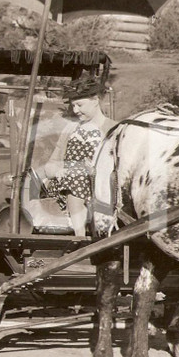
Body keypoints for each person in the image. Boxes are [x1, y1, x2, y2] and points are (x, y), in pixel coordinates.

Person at [40, 77, 115, 237]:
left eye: (80, 105)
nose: (75, 110)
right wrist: (58, 171)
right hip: (70, 186)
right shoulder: (71, 129)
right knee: (77, 174)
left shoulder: (114, 129)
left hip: (105, 186)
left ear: (95, 100)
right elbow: (50, 166)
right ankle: (79, 235)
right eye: (73, 105)